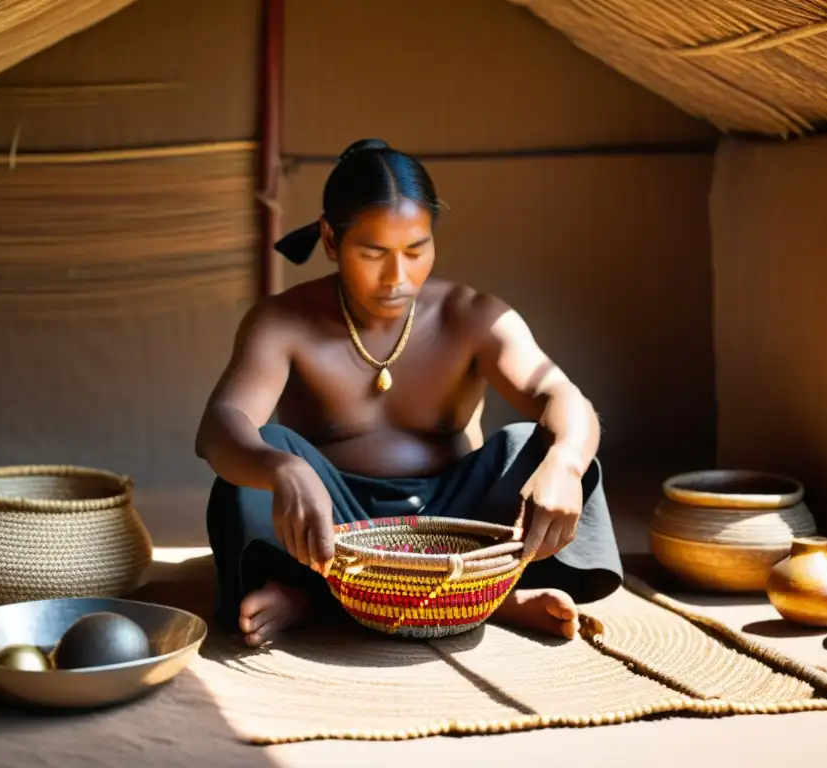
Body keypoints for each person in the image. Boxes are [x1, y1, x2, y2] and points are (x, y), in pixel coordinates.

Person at [196, 139, 622, 647]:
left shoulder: (472, 314)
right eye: (373, 252)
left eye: (416, 250)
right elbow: (220, 426)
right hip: (332, 526)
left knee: (535, 443)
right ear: (331, 241)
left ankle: (489, 590)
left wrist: (566, 464)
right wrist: (282, 469)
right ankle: (313, 593)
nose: (398, 277)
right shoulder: (283, 323)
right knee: (253, 463)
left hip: (459, 521)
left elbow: (561, 393)